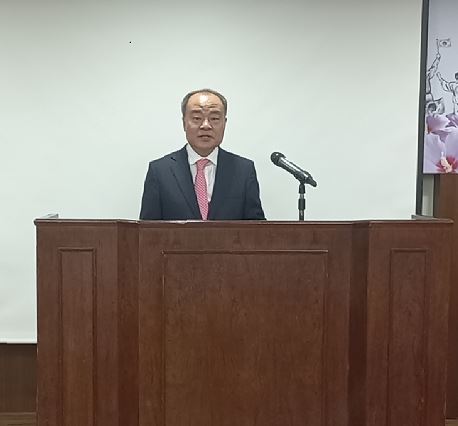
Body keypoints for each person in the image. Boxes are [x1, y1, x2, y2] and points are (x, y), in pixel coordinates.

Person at [140, 88, 265, 220]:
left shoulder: (244, 170)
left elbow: (257, 227)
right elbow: (147, 228)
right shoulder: (159, 171)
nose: (206, 125)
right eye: (197, 118)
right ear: (184, 123)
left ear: (224, 123)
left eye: (214, 118)